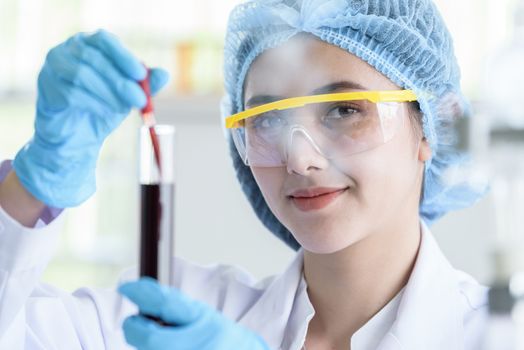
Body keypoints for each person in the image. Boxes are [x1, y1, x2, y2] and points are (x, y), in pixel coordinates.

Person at [0, 0, 489, 349]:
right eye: (268, 119)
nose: (300, 159)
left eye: (344, 109)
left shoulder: (501, 334)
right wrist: (31, 187)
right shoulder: (165, 317)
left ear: (433, 126)